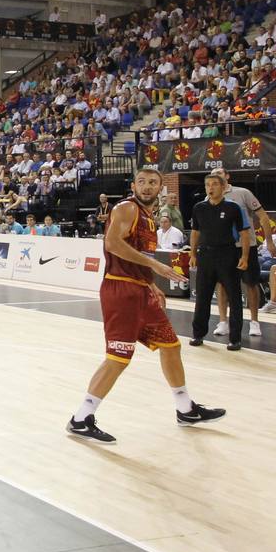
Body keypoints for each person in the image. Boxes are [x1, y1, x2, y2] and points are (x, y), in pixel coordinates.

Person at [66, 168, 225, 444]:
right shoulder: (127, 208)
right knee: (118, 357)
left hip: (139, 289)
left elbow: (137, 256)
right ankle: (81, 418)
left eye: (153, 182)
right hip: (120, 290)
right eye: (142, 182)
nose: (147, 187)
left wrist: (150, 283)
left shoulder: (150, 217)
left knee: (171, 345)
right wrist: (155, 267)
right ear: (133, 185)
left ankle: (185, 408)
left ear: (161, 188)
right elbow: (113, 243)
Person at [189, 173, 253, 351]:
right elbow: (195, 232)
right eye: (207, 185)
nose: (210, 188)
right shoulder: (199, 208)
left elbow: (244, 233)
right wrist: (193, 254)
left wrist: (245, 257)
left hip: (228, 254)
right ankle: (198, 334)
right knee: (202, 297)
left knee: (234, 297)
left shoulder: (234, 207)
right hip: (206, 255)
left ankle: (235, 339)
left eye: (214, 184)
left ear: (223, 187)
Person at [210, 168, 272, 340]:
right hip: (223, 247)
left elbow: (263, 216)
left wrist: (269, 241)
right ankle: (223, 321)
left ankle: (254, 321)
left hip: (247, 245)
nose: (217, 177)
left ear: (227, 176)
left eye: (220, 174)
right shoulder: (209, 197)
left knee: (250, 283)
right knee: (222, 284)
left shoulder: (243, 193)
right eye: (213, 174)